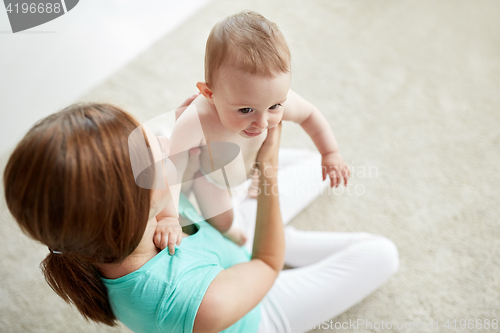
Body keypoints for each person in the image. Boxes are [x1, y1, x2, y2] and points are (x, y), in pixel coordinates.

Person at [3, 100, 399, 333]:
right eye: (151, 148)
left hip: (223, 240)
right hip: (258, 311)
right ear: (133, 204)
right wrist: (269, 165)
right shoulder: (189, 302)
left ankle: (270, 229)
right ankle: (280, 233)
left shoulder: (110, 229)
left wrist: (201, 142)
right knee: (381, 253)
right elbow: (267, 262)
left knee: (317, 165)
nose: (161, 140)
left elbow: (190, 176)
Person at [153, 10, 351, 250]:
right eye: (246, 110)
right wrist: (167, 218)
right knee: (223, 220)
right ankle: (230, 230)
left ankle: (254, 178)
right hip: (212, 176)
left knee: (309, 165)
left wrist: (330, 153)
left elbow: (309, 115)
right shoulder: (198, 118)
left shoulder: (269, 100)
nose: (263, 122)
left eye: (275, 106)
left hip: (250, 166)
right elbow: (172, 166)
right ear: (209, 94)